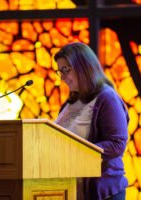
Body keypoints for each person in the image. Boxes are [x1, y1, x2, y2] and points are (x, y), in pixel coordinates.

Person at [54, 42, 129, 200]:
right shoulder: (70, 102)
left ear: (83, 66)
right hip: (69, 190)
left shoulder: (107, 98)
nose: (62, 77)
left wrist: (79, 152)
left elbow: (117, 144)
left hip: (102, 191)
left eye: (65, 70)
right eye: (59, 71)